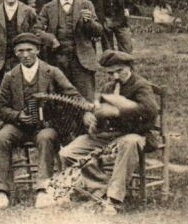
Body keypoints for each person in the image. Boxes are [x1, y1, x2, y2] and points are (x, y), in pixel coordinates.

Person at [57, 50, 159, 215]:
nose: (116, 76)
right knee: (67, 153)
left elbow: (150, 111)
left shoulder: (141, 85)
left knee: (129, 142)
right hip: (109, 135)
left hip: (136, 134)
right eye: (111, 73)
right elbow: (99, 110)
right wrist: (91, 117)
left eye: (120, 71)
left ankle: (114, 200)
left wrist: (118, 112)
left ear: (129, 67)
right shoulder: (108, 87)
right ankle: (102, 189)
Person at [0, 32, 84, 209]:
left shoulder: (52, 72)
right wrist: (17, 116)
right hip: (19, 126)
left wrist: (62, 112)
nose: (25, 55)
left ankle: (43, 189)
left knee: (46, 138)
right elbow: (1, 108)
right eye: (20, 51)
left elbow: (74, 96)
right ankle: (0, 191)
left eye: (29, 50)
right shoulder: (10, 76)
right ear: (16, 53)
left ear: (38, 50)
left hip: (46, 126)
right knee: (1, 138)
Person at [34, 0, 103, 100]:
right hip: (57, 59)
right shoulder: (48, 8)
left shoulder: (86, 4)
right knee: (60, 97)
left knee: (85, 97)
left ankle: (86, 119)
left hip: (82, 59)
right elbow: (36, 31)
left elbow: (98, 31)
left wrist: (89, 22)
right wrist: (51, 39)